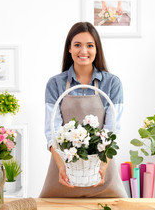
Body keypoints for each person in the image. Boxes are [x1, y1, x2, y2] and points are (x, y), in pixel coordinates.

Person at [39, 22, 127, 198]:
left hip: (103, 170)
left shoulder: (111, 83)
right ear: (69, 49)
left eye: (90, 45)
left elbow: (112, 130)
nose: (83, 51)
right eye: (77, 45)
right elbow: (52, 132)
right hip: (63, 171)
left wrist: (101, 166)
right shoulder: (55, 84)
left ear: (97, 49)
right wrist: (63, 167)